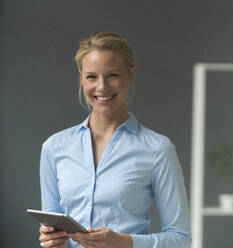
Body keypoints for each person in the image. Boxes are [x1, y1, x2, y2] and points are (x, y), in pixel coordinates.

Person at [38, 32, 191, 248]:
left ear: (131, 75)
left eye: (112, 75)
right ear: (81, 78)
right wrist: (51, 241)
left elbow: (181, 240)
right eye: (92, 76)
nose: (102, 87)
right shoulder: (54, 148)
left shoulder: (158, 149)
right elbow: (52, 232)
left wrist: (124, 243)